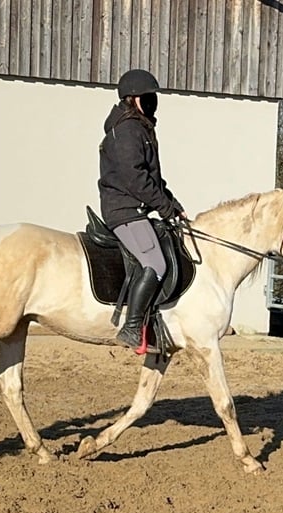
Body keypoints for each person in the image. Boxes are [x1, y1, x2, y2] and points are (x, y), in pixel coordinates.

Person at [97, 69, 187, 351]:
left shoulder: (140, 127)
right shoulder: (126, 130)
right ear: (132, 99)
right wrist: (163, 206)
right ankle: (132, 327)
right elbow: (135, 177)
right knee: (156, 264)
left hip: (134, 207)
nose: (152, 102)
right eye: (147, 98)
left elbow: (152, 177)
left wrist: (172, 203)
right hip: (124, 209)